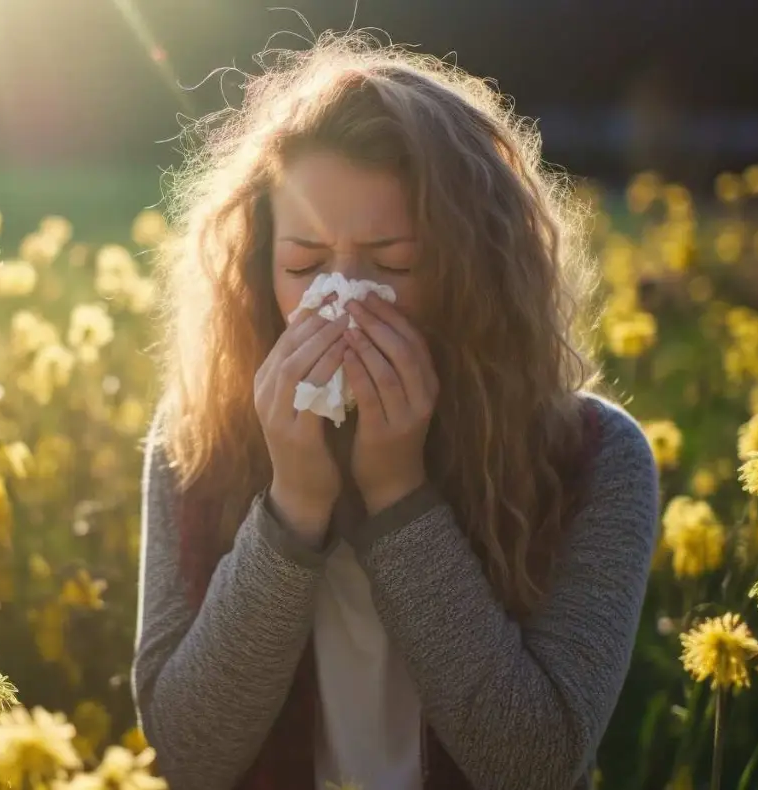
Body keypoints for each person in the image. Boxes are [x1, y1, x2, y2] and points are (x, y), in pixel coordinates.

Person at [130, 30, 659, 790]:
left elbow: (535, 764)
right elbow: (188, 752)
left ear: (475, 272)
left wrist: (399, 494)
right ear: (258, 268)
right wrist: (294, 504)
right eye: (305, 265)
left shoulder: (593, 458)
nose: (340, 303)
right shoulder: (195, 441)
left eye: (395, 265)